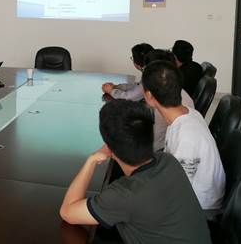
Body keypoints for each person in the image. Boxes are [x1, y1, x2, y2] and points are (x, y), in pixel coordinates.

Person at [59, 100, 211, 243]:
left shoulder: (124, 194)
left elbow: (67, 212)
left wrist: (91, 161)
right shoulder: (168, 161)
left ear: (108, 146)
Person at [142, 60, 225, 211]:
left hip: (199, 208)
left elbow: (177, 193)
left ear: (149, 96)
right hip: (186, 191)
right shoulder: (187, 113)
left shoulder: (186, 138)